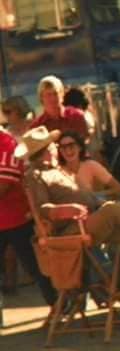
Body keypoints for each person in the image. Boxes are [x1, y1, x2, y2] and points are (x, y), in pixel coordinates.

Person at [15, 126, 120, 248]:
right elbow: (41, 209)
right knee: (111, 212)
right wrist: (67, 210)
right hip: (72, 229)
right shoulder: (35, 175)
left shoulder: (58, 170)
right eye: (54, 145)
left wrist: (95, 200)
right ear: (48, 149)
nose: (57, 148)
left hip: (91, 217)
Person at [0, 125, 57, 306]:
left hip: (16, 219)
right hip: (11, 218)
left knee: (37, 267)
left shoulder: (6, 144)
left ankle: (58, 305)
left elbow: (3, 186)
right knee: (36, 267)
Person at [0, 96, 35, 294]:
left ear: (19, 111)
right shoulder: (9, 134)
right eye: (4, 111)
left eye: (9, 111)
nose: (6, 115)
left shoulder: (30, 131)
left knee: (21, 244)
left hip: (27, 185)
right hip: (17, 180)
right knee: (12, 245)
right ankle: (11, 283)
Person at [57, 130, 120, 201]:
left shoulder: (91, 165)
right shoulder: (57, 172)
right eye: (63, 147)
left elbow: (119, 190)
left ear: (80, 147)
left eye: (71, 145)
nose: (68, 151)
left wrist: (93, 198)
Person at [29, 75, 89, 140]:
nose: (53, 98)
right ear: (41, 98)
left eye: (55, 93)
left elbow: (83, 144)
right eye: (48, 95)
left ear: (62, 94)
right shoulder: (36, 126)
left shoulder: (76, 116)